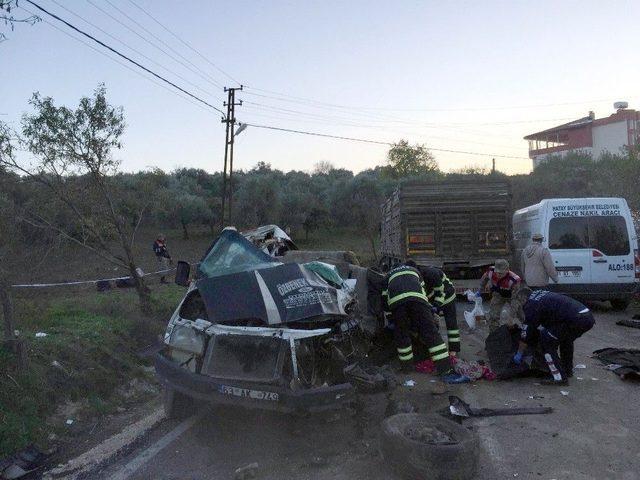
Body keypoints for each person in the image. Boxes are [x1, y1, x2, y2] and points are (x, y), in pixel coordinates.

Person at [382, 261, 467, 384]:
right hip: (418, 300)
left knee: (402, 336)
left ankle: (407, 368)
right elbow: (422, 290)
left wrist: (391, 318)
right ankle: (445, 370)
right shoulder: (415, 271)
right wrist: (426, 312)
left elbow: (384, 298)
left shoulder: (388, 276)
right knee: (432, 335)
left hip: (397, 304)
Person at [512, 287, 595, 385]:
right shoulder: (540, 294)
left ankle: (559, 377)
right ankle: (567, 370)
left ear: (523, 299)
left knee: (546, 341)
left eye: (519, 303)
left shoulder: (531, 304)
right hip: (586, 316)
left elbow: (526, 333)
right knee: (565, 339)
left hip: (575, 319)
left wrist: (519, 353)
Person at [415, 263, 460, 355]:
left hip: (448, 296)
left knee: (451, 324)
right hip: (435, 298)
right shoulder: (417, 278)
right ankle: (433, 346)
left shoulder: (432, 273)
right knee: (432, 322)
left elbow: (440, 293)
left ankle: (453, 350)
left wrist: (435, 307)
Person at [480, 259, 521, 331]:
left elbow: (515, 299)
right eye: (497, 272)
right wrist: (481, 290)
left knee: (519, 314)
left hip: (511, 296)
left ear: (507, 270)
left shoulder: (514, 280)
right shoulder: (490, 272)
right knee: (493, 315)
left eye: (501, 273)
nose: (498, 275)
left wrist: (511, 315)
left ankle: (521, 332)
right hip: (498, 294)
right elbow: (484, 279)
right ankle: (494, 333)